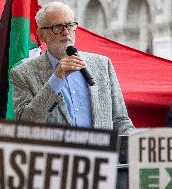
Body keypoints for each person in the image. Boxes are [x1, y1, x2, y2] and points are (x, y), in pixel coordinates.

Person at [10, 2, 134, 135]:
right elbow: (25, 124)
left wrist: (134, 143)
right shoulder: (23, 74)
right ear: (41, 35)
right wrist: (56, 79)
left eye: (69, 25)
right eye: (57, 27)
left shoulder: (102, 65)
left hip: (101, 154)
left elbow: (120, 121)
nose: (65, 32)